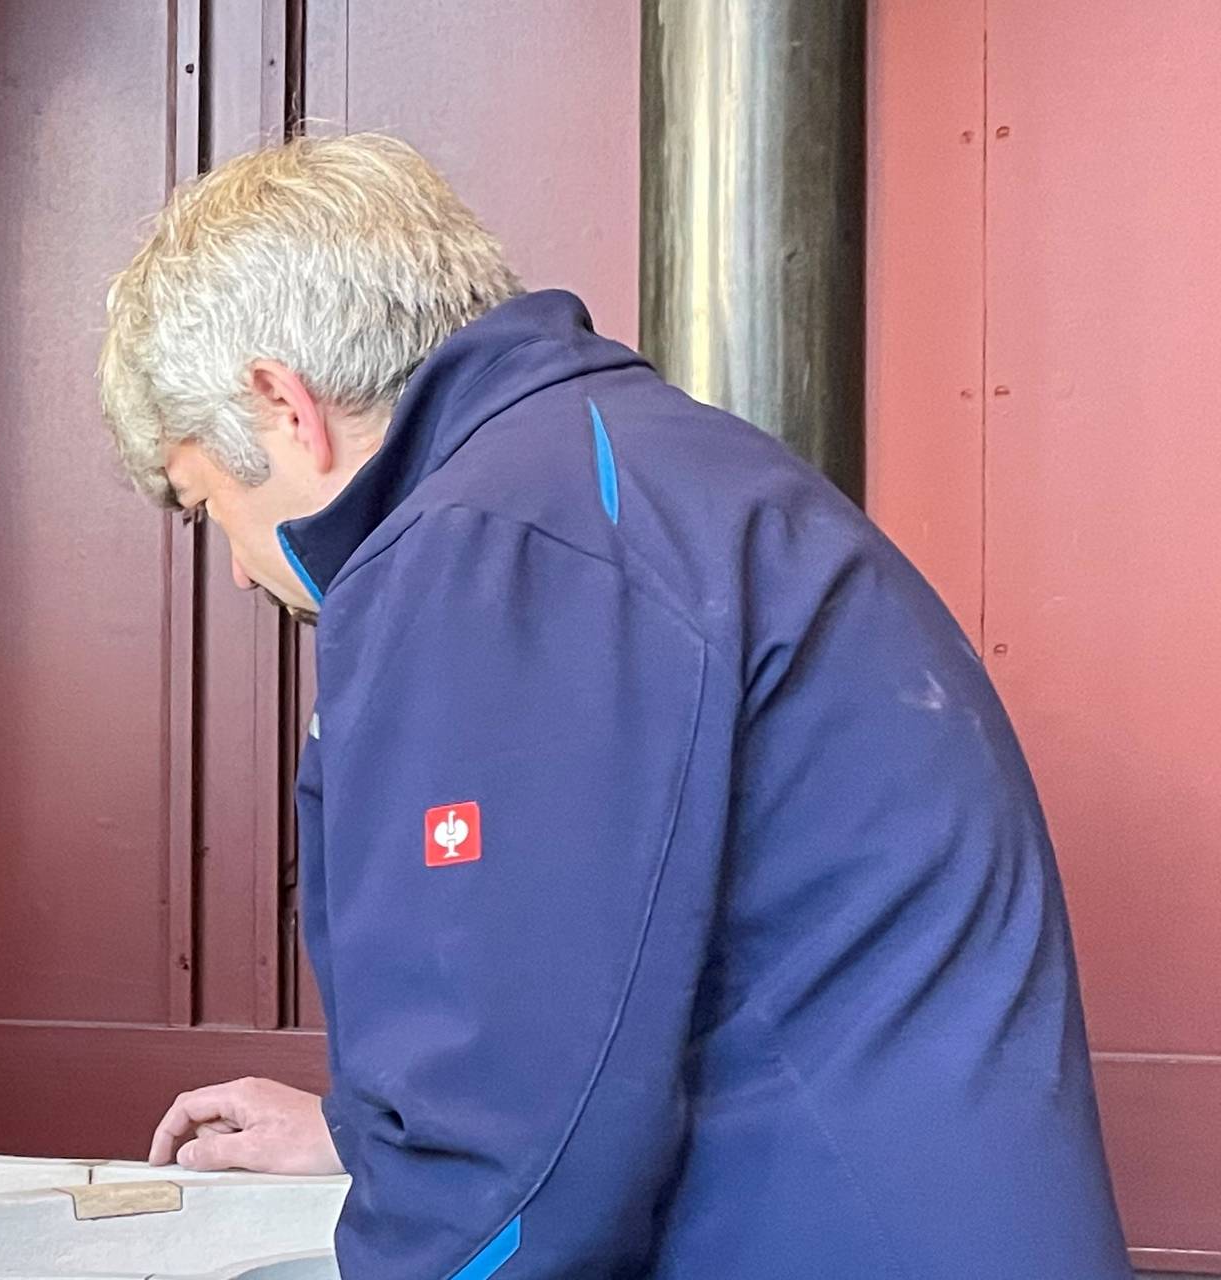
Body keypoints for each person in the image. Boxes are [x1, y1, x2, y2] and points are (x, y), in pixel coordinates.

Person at [107, 136, 1130, 1277]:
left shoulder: (489, 543)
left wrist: (425, 1216)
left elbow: (514, 1152)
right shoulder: (625, 472)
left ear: (280, 406)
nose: (242, 574)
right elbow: (632, 975)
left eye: (208, 505)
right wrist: (359, 1138)